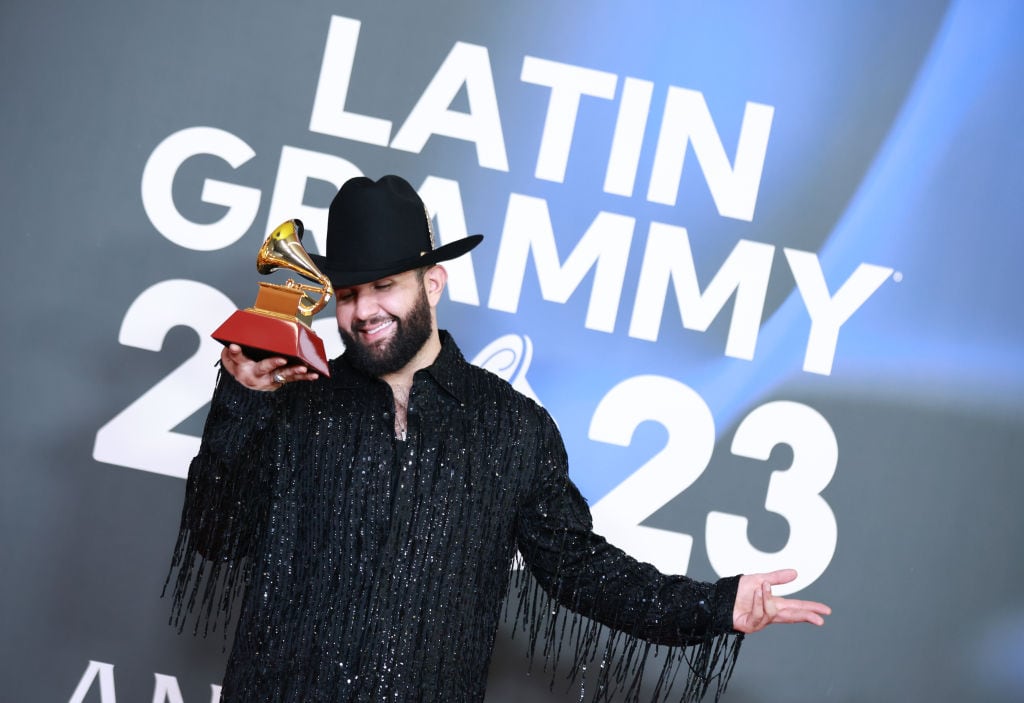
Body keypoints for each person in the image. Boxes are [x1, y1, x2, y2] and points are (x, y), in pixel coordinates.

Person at [167, 175, 830, 703]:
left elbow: (579, 568)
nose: (362, 310)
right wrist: (243, 400)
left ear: (433, 282)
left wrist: (714, 605)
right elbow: (216, 534)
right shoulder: (292, 404)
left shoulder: (512, 427)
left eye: (384, 287)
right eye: (346, 293)